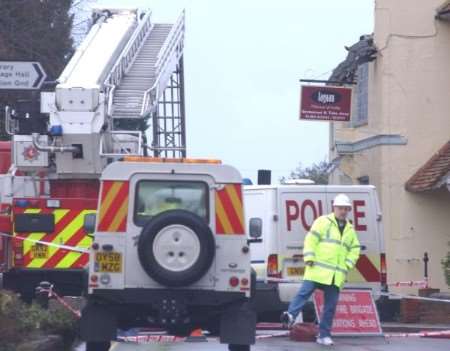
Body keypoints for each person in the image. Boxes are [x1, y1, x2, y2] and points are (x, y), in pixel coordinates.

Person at [281, 193, 361, 346]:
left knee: (330, 307)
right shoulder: (323, 222)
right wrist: (309, 257)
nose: (343, 211)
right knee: (303, 294)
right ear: (334, 208)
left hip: (335, 275)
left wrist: (348, 264)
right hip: (316, 269)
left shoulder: (350, 229)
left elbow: (355, 248)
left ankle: (324, 335)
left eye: (346, 209)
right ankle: (290, 315)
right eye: (341, 208)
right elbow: (311, 239)